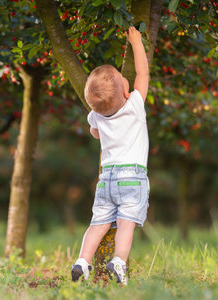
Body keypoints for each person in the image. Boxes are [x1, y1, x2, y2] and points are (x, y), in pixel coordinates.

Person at [71, 26, 150, 285]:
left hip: (107, 179)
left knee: (98, 223)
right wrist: (136, 42)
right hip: (132, 177)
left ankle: (83, 261)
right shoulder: (135, 105)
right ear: (126, 92)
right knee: (126, 223)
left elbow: (95, 133)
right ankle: (119, 261)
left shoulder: (96, 115)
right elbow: (142, 72)